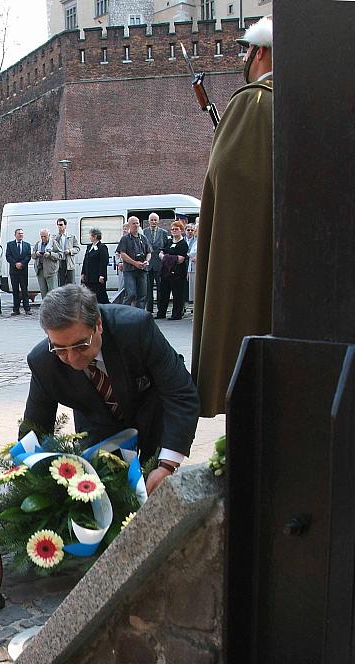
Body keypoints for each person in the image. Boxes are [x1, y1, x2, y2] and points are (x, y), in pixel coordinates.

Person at [23, 285, 199, 495]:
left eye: (81, 346)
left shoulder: (136, 328)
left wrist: (167, 465)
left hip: (152, 419)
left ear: (98, 324)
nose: (72, 358)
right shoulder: (43, 361)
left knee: (156, 494)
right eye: (60, 349)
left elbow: (180, 393)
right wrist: (29, 487)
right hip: (98, 430)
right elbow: (35, 429)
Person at [192, 16, 273, 417]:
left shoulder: (254, 100)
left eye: (247, 50)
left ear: (259, 52)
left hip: (248, 260)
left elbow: (228, 176)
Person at [117, 216, 151, 309]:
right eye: (133, 223)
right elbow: (122, 254)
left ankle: (139, 316)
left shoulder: (143, 238)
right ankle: (122, 314)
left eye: (137, 223)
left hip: (142, 270)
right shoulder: (125, 238)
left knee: (142, 295)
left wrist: (146, 261)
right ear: (129, 225)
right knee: (131, 294)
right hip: (129, 270)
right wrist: (135, 263)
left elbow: (149, 252)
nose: (136, 225)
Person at [156, 220, 188, 320]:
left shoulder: (183, 244)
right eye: (172, 229)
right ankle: (161, 313)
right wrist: (170, 257)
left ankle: (176, 314)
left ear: (181, 231)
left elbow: (180, 259)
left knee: (177, 294)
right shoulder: (168, 241)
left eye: (176, 229)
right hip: (166, 273)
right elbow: (160, 253)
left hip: (178, 273)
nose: (174, 231)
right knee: (163, 293)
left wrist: (166, 257)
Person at [143, 213, 169, 314]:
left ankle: (161, 310)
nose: (153, 222)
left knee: (160, 287)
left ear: (158, 221)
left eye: (155, 220)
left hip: (159, 264)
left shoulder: (164, 232)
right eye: (152, 220)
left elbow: (166, 247)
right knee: (148, 289)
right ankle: (149, 310)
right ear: (148, 221)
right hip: (148, 264)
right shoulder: (144, 232)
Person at [6, 228, 32, 316]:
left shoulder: (27, 245)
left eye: (22, 233)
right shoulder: (10, 245)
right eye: (19, 233)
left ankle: (27, 308)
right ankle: (16, 309)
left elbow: (28, 256)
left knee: (24, 290)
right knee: (15, 290)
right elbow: (8, 256)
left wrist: (22, 264)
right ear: (15, 235)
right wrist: (15, 264)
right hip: (14, 271)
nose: (21, 235)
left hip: (23, 270)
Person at [81, 227, 109, 304]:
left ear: (95, 236)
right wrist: (83, 273)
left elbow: (104, 262)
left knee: (100, 296)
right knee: (89, 295)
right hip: (89, 276)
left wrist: (102, 275)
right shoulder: (89, 247)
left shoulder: (102, 247)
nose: (90, 237)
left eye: (91, 235)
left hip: (97, 277)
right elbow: (85, 260)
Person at [51, 218, 80, 286]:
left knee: (71, 283)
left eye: (61, 225)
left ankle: (71, 296)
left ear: (65, 225)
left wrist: (70, 251)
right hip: (59, 262)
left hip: (69, 262)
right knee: (61, 283)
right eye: (58, 225)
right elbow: (52, 248)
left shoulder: (72, 237)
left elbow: (77, 248)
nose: (59, 227)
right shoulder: (55, 237)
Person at [32, 228, 58, 299]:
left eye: (45, 236)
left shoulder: (54, 243)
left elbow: (60, 255)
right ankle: (45, 308)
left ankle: (53, 308)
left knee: (52, 292)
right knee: (43, 291)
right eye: (41, 236)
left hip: (50, 271)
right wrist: (36, 253)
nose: (43, 238)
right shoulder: (38, 244)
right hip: (40, 270)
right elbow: (32, 255)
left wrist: (50, 254)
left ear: (49, 235)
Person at [186, 223, 198, 311]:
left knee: (197, 292)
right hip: (191, 268)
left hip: (197, 268)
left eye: (195, 230)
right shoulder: (196, 241)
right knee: (193, 293)